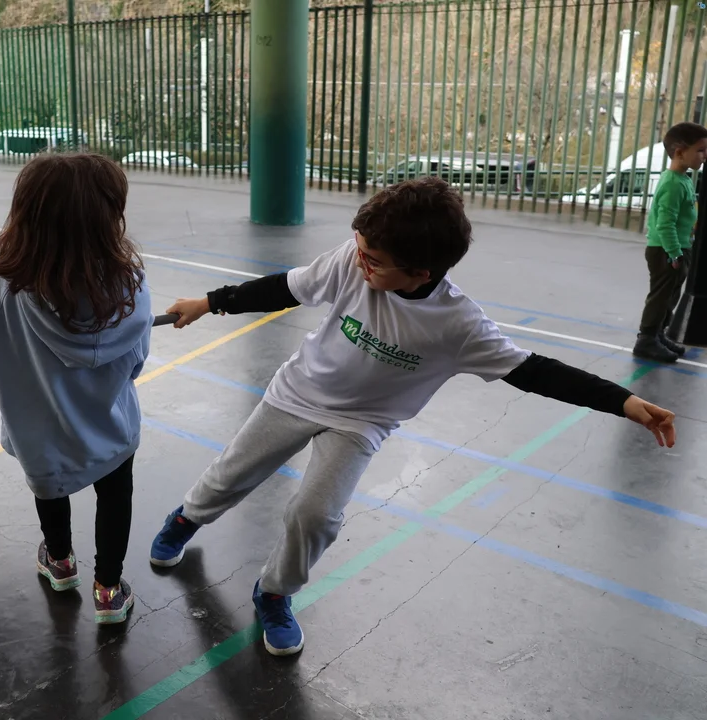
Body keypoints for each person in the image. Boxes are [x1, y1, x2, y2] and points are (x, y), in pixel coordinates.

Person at [148, 177, 678, 657]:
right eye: (360, 249)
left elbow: (534, 371)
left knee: (315, 515)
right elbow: (286, 287)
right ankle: (185, 519)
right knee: (231, 475)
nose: (361, 262)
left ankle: (274, 593)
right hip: (297, 393)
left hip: (362, 423)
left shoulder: (459, 326)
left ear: (420, 273)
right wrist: (211, 301)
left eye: (374, 260)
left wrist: (623, 401)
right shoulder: (353, 259)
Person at [0, 153, 152, 625]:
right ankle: (109, 590)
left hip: (37, 426)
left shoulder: (0, 281)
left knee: (48, 484)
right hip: (111, 424)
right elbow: (136, 362)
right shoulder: (128, 283)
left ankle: (61, 561)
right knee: (116, 493)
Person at [633, 121, 707, 363]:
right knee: (660, 297)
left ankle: (658, 334)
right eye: (700, 150)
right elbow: (665, 223)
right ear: (679, 152)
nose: (704, 155)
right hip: (665, 250)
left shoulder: (683, 179)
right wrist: (674, 253)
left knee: (670, 296)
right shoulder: (673, 183)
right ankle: (646, 340)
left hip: (678, 247)